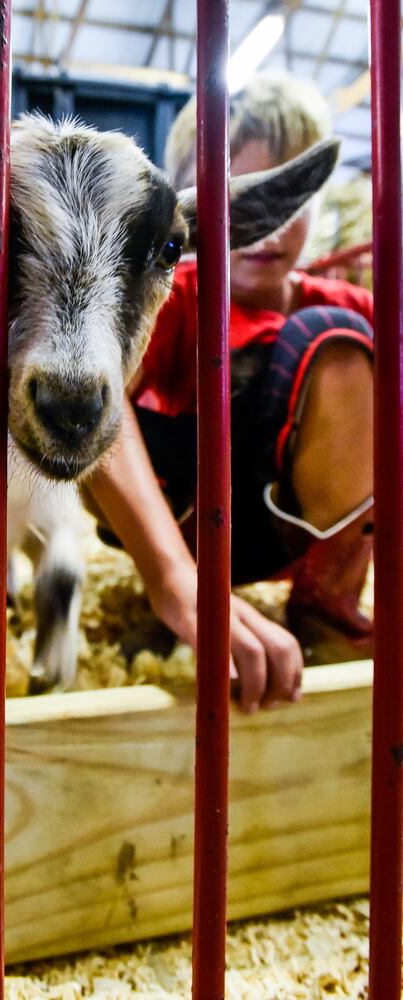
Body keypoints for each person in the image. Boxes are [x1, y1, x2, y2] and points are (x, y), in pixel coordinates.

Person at [86, 75, 375, 713]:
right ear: (188, 201)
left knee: (344, 346)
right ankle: (176, 604)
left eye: (287, 202)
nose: (268, 231)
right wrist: (174, 581)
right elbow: (98, 413)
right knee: (93, 393)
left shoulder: (349, 308)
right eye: (239, 200)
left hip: (290, 535)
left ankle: (326, 607)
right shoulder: (173, 295)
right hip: (187, 532)